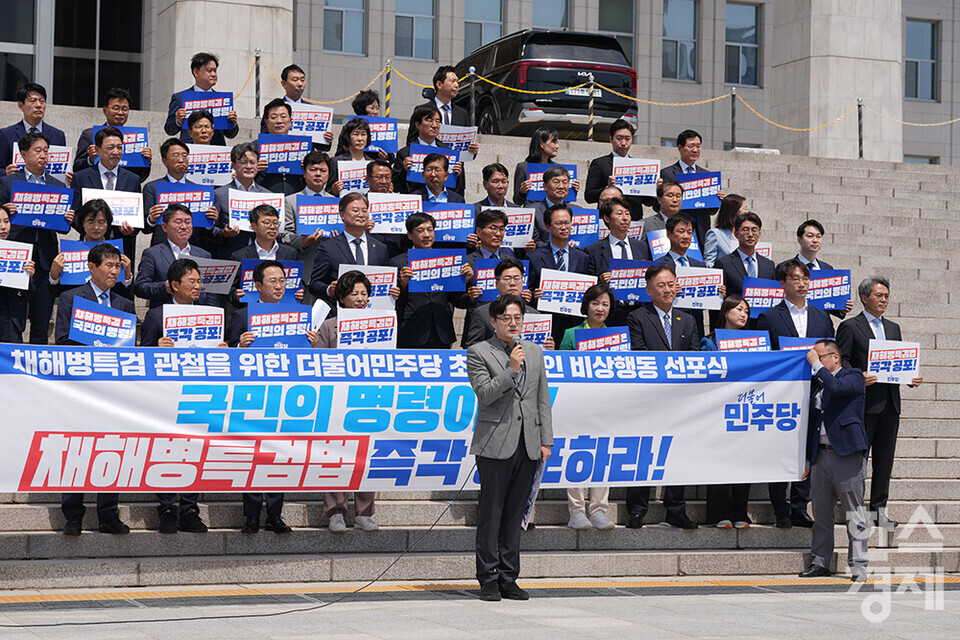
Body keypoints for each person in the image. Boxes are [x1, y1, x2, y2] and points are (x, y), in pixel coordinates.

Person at [467, 293, 553, 601]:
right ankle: (487, 576)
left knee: (516, 513)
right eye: (507, 318)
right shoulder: (479, 352)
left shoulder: (534, 351)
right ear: (494, 321)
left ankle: (508, 575)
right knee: (492, 511)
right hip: (495, 443)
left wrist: (546, 439)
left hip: (528, 442)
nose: (513, 323)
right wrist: (512, 370)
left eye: (518, 318)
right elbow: (486, 394)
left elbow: (542, 397)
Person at [55, 243, 134, 537]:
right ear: (91, 267)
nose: (115, 271)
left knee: (111, 450)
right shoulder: (71, 298)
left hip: (113, 391)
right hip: (82, 389)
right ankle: (73, 514)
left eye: (118, 266)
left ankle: (108, 514)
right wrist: (95, 340)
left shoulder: (125, 304)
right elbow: (61, 341)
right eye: (108, 266)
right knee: (79, 450)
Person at [836, 276, 923, 529]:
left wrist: (911, 377)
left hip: (890, 404)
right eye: (879, 295)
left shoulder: (893, 328)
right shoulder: (850, 327)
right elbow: (842, 360)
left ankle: (878, 511)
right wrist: (857, 376)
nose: (884, 299)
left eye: (886, 296)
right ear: (864, 298)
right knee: (857, 462)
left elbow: (898, 364)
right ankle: (852, 511)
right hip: (863, 404)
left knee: (884, 462)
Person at [758, 259, 835, 528]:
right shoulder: (768, 317)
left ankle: (799, 506)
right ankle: (780, 508)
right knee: (780, 448)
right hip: (782, 392)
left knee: (808, 449)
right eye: (795, 279)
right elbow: (764, 358)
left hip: (814, 391)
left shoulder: (821, 316)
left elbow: (831, 353)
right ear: (782, 284)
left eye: (804, 278)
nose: (801, 283)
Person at [625, 263, 699, 530]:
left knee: (677, 451)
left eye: (671, 284)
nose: (668, 290)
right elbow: (639, 352)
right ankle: (636, 509)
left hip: (679, 398)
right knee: (644, 451)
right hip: (648, 396)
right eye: (661, 285)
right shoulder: (637, 317)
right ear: (648, 290)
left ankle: (676, 509)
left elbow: (693, 356)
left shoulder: (688, 319)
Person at [798, 340, 870, 582]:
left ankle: (858, 564)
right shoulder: (819, 384)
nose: (814, 361)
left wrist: (816, 366)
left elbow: (838, 388)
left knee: (854, 513)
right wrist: (808, 459)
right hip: (821, 455)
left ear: (835, 357)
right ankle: (820, 561)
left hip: (846, 455)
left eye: (819, 356)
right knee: (821, 514)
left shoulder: (852, 376)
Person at [316, 270, 381, 533]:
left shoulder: (380, 325)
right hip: (337, 399)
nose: (360, 298)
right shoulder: (330, 326)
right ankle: (336, 511)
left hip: (369, 398)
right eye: (354, 293)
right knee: (336, 456)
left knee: (365, 456)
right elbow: (317, 361)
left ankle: (364, 512)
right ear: (341, 298)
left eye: (364, 293)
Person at [0, 131, 75, 344]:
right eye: (37, 151)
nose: (43, 155)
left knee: (42, 319)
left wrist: (67, 219)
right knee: (14, 319)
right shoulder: (7, 183)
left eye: (46, 151)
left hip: (45, 259)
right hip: (14, 258)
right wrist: (5, 212)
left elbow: (63, 229)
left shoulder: (58, 186)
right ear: (23, 154)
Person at [558, 283, 617, 531]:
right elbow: (561, 368)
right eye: (595, 303)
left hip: (605, 403)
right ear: (586, 306)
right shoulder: (571, 334)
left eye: (605, 303)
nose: (600, 308)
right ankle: (577, 511)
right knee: (577, 453)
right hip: (578, 403)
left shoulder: (616, 336)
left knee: (602, 453)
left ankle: (599, 509)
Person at [700, 294, 753, 529]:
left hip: (746, 408)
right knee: (719, 461)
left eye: (747, 311)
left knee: (744, 460)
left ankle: (740, 511)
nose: (743, 314)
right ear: (726, 312)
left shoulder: (754, 342)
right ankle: (717, 513)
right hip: (718, 409)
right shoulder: (709, 342)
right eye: (739, 309)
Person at [391, 212, 475, 348]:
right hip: (411, 332)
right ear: (409, 235)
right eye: (420, 230)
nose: (426, 235)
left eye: (430, 230)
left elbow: (456, 300)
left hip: (441, 331)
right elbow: (393, 303)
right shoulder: (398, 262)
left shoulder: (447, 260)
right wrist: (404, 285)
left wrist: (463, 281)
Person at [71, 126, 141, 266]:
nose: (116, 152)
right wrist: (90, 229)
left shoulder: (133, 179)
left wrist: (132, 230)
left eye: (119, 147)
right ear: (97, 150)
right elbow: (75, 214)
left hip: (123, 246)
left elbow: (137, 216)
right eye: (110, 147)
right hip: (90, 247)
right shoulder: (81, 177)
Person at [308, 192, 390, 303]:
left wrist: (393, 290)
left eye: (364, 211)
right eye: (355, 210)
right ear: (342, 215)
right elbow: (314, 284)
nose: (361, 214)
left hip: (372, 312)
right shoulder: (328, 247)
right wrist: (329, 289)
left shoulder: (380, 248)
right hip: (339, 313)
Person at [528, 204, 589, 345]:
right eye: (559, 223)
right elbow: (527, 291)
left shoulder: (582, 257)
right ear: (548, 227)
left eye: (567, 223)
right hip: (547, 322)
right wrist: (534, 295)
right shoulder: (534, 257)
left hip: (575, 321)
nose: (564, 227)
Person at [49, 199, 134, 301]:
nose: (96, 227)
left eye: (101, 222)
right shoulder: (70, 252)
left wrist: (127, 276)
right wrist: (54, 275)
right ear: (82, 223)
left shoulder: (116, 253)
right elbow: (57, 292)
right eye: (90, 221)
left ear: (108, 224)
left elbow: (123, 294)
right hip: (77, 307)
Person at [585, 197, 651, 326]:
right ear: (607, 218)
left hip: (638, 311)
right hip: (611, 313)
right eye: (619, 214)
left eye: (627, 213)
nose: (625, 218)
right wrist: (601, 282)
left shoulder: (641, 247)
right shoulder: (594, 250)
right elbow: (588, 286)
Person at [135, 203, 215, 308]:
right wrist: (164, 287)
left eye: (188, 222)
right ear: (164, 227)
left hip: (197, 315)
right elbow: (140, 288)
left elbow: (211, 293)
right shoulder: (152, 254)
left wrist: (211, 311)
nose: (184, 227)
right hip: (165, 314)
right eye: (178, 222)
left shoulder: (204, 255)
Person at [143, 138, 218, 248]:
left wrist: (210, 220)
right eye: (175, 155)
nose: (181, 160)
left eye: (184, 155)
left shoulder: (199, 190)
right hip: (162, 247)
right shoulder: (152, 188)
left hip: (193, 246)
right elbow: (145, 228)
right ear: (164, 161)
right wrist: (151, 219)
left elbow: (206, 232)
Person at [658, 212, 723, 338]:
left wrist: (717, 294)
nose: (686, 236)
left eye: (689, 232)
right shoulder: (659, 266)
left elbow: (705, 303)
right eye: (681, 231)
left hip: (696, 326)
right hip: (670, 326)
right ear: (669, 234)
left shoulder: (700, 266)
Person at [140, 258, 228, 348]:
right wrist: (157, 347)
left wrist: (223, 349)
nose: (197, 287)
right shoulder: (156, 316)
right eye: (192, 282)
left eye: (199, 281)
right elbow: (143, 352)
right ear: (175, 285)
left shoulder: (209, 314)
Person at [660, 129, 725, 248]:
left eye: (698, 146)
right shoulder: (666, 174)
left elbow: (711, 211)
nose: (695, 150)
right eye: (691, 146)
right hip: (677, 233)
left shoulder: (706, 175)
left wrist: (717, 198)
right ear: (680, 148)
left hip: (701, 232)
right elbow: (657, 206)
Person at [73, 87, 151, 182]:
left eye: (124, 109)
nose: (120, 113)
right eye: (116, 108)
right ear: (105, 111)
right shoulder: (90, 135)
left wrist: (146, 160)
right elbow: (77, 168)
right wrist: (90, 160)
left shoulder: (136, 137)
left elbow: (140, 177)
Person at [781, 219, 855, 318]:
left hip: (821, 325)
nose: (815, 240)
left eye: (818, 236)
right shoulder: (784, 267)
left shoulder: (827, 269)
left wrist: (842, 309)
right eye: (810, 236)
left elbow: (831, 305)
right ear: (799, 239)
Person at [213, 141, 274, 258]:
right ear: (233, 165)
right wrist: (224, 233)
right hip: (231, 255)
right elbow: (210, 231)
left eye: (252, 162)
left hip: (263, 256)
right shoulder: (220, 194)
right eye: (243, 162)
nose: (249, 166)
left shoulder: (268, 195)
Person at [164, 52, 240, 145]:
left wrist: (233, 123)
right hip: (190, 150)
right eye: (209, 70)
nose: (213, 74)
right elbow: (169, 129)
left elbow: (231, 134)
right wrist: (178, 122)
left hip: (216, 150)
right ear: (196, 72)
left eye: (215, 70)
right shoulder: (180, 98)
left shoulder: (222, 100)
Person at [461, 257, 535, 348]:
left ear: (523, 282)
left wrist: (548, 348)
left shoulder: (534, 314)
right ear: (497, 284)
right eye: (507, 279)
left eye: (516, 278)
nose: (512, 283)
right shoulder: (483, 313)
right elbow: (472, 348)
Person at [585, 119, 650, 219]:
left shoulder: (639, 167)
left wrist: (654, 188)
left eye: (627, 139)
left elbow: (648, 202)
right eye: (619, 138)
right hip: (608, 221)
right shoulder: (600, 164)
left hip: (634, 220)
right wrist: (608, 188)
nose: (623, 143)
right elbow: (589, 196)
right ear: (611, 139)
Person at [393, 103, 464, 195]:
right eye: (429, 120)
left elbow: (454, 189)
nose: (434, 125)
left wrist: (457, 175)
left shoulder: (448, 152)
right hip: (415, 204)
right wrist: (404, 171)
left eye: (438, 121)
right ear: (418, 125)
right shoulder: (405, 153)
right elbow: (395, 186)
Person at [0, 83, 66, 171]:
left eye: (42, 101)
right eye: (33, 101)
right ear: (20, 105)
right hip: (17, 183)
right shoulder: (6, 134)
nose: (38, 105)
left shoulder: (58, 135)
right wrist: (6, 174)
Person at [714, 212, 776, 299]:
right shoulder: (724, 264)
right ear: (736, 234)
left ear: (759, 234)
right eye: (745, 230)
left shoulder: (769, 265)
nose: (750, 234)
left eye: (754, 230)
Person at [513, 126, 580, 206]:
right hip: (533, 213)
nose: (557, 146)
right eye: (554, 142)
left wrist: (572, 190)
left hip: (553, 213)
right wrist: (522, 191)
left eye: (557, 143)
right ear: (542, 144)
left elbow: (565, 201)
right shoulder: (523, 167)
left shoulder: (557, 168)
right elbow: (517, 201)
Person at [274, 63, 334, 150]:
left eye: (302, 80)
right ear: (284, 84)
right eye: (295, 80)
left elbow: (322, 148)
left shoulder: (313, 111)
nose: (300, 84)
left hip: (306, 160)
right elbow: (266, 136)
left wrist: (327, 139)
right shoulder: (274, 109)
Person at [256, 98, 307, 195]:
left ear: (291, 120)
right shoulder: (254, 148)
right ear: (266, 122)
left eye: (283, 117)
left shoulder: (303, 146)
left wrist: (308, 167)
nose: (279, 121)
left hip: (294, 198)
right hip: (265, 199)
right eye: (274, 117)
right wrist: (254, 168)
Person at [0, 206, 35, 343]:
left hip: (12, 324)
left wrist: (28, 277)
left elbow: (29, 295)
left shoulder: (18, 252)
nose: (3, 227)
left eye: (6, 221)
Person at [704, 193, 745, 268]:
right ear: (735, 212)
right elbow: (709, 263)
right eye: (744, 209)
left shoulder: (743, 235)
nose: (746, 212)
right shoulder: (715, 234)